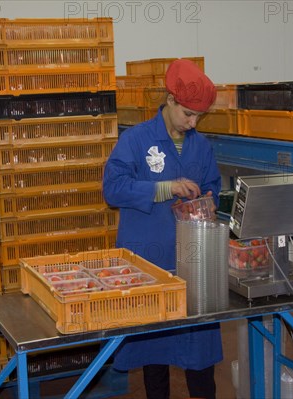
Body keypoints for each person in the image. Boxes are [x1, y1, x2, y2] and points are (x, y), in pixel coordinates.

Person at [103, 58, 222, 399]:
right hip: (150, 260)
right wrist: (165, 188)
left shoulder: (201, 145)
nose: (193, 122)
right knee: (154, 352)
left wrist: (210, 200)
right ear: (170, 100)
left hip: (193, 262)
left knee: (200, 352)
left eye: (199, 116)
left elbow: (212, 184)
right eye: (187, 113)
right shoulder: (136, 140)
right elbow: (113, 189)